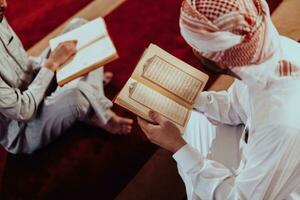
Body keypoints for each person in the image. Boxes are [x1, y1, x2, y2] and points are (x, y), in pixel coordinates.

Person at [138, 0, 300, 199]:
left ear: (219, 60)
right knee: (185, 120)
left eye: (194, 47)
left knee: (192, 173)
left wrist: (177, 146)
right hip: (262, 148)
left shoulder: (280, 122)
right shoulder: (260, 49)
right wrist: (190, 97)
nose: (194, 51)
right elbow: (236, 107)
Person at [0, 0, 133, 154]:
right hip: (24, 127)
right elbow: (23, 111)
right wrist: (52, 64)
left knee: (81, 27)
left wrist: (52, 63)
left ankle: (89, 98)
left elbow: (23, 63)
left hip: (36, 84)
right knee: (75, 96)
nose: (4, 4)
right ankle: (99, 111)